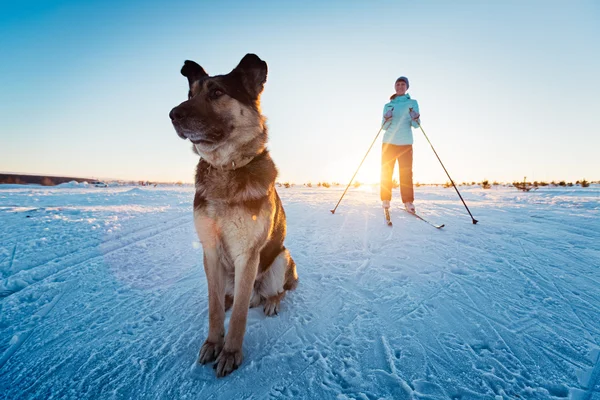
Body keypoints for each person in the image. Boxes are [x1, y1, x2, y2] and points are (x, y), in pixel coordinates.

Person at [380, 76, 420, 214]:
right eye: (398, 84)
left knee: (406, 173)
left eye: (403, 84)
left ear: (406, 87)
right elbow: (384, 127)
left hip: (405, 142)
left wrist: (416, 117)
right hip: (389, 142)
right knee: (386, 172)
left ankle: (408, 202)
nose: (400, 86)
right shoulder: (388, 105)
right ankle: (386, 199)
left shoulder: (412, 103)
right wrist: (387, 117)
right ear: (395, 87)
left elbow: (416, 125)